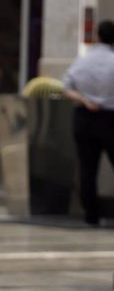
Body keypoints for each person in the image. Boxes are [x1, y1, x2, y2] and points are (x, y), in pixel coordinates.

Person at [63, 19, 114, 226]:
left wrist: (84, 100)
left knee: (87, 168)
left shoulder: (82, 61)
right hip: (110, 119)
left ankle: (91, 214)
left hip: (84, 117)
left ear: (97, 36)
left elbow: (65, 87)